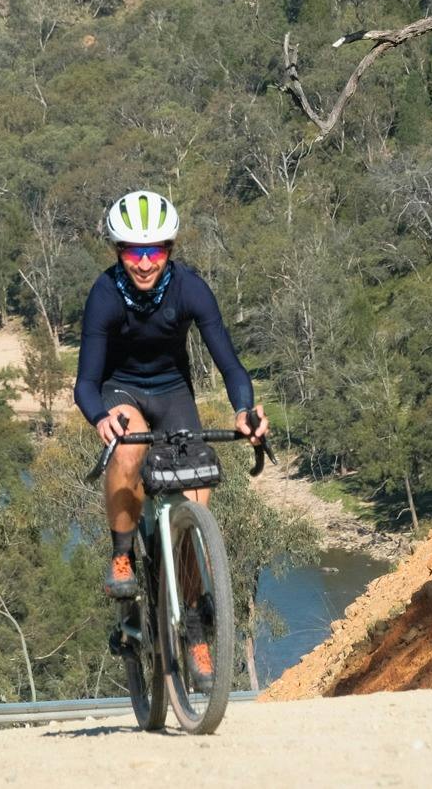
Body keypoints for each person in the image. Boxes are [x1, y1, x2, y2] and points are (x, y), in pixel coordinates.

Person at [76, 190, 268, 638]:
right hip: (121, 389)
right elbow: (85, 383)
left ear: (170, 250)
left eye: (155, 250)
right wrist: (100, 419)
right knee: (128, 450)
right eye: (134, 251)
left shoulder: (191, 289)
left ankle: (195, 627)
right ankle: (122, 553)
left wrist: (244, 411)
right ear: (118, 252)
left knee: (190, 513)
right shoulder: (105, 295)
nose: (145, 262)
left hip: (173, 392)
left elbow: (231, 364)